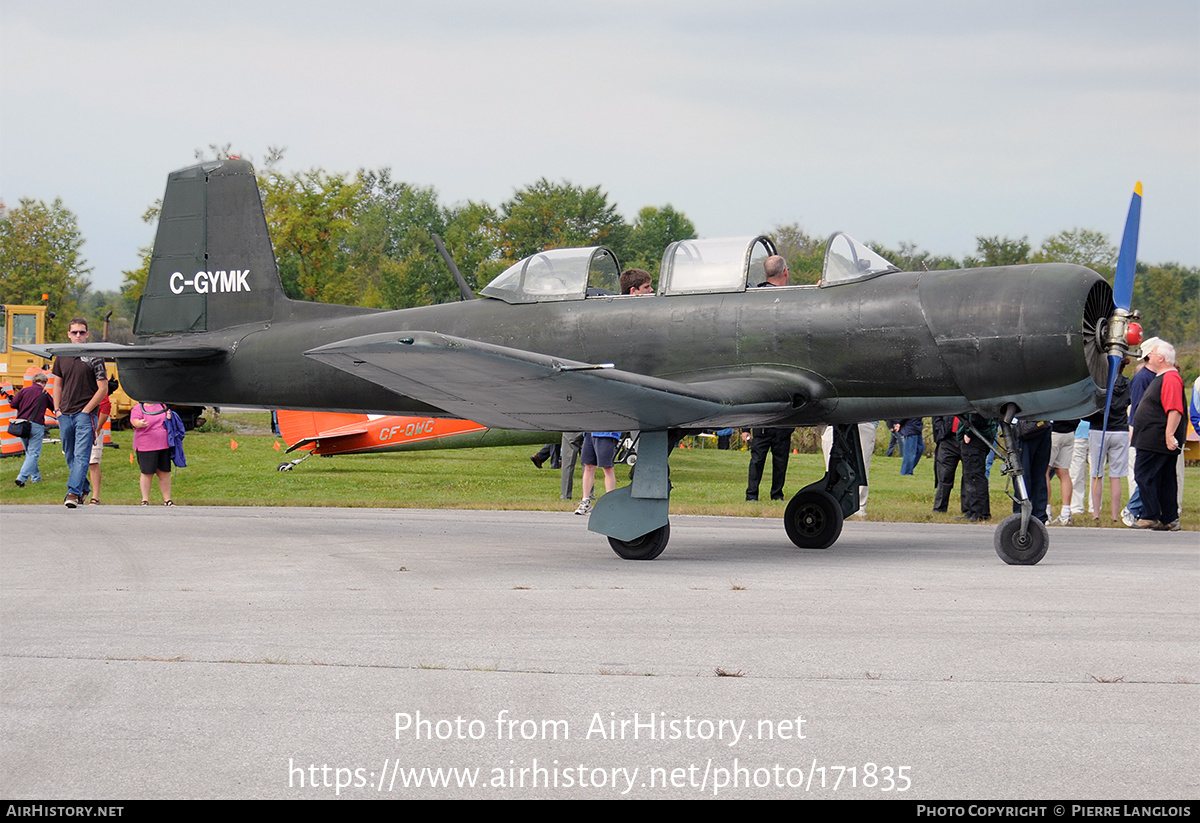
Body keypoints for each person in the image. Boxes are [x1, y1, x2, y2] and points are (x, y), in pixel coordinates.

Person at [1129, 341, 1186, 530]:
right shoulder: (1164, 377)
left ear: (1161, 358)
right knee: (1164, 478)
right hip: (1153, 436)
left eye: (1151, 353)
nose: (1149, 356)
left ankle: (1150, 514)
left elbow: (1175, 409)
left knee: (1145, 475)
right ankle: (1168, 517)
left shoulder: (1169, 378)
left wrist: (1169, 434)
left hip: (1156, 438)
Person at [51, 318, 108, 508]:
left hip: (85, 413)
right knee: (69, 453)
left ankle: (73, 493)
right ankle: (83, 487)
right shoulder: (62, 356)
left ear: (87, 334)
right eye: (74, 332)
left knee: (82, 454)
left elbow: (103, 388)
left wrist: (86, 410)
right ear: (68, 334)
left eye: (81, 332)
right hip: (65, 412)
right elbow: (57, 384)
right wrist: (57, 409)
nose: (78, 335)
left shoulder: (95, 356)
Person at [1086, 361, 1130, 523]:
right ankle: (1113, 515)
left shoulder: (1099, 383)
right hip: (1120, 429)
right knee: (1116, 476)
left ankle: (1096, 513)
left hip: (1099, 429)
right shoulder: (1128, 384)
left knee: (1097, 474)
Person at [13, 372, 54, 487]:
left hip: (21, 425)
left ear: (33, 381)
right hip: (36, 425)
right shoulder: (44, 393)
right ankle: (21, 477)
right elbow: (54, 406)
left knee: (29, 453)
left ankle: (36, 478)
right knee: (33, 453)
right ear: (44, 383)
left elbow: (13, 404)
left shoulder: (24, 391)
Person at [131, 401, 175, 506]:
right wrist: (139, 423)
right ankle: (145, 499)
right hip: (146, 445)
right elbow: (134, 421)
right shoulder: (139, 408)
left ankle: (167, 499)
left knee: (164, 472)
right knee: (147, 473)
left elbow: (170, 418)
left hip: (163, 444)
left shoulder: (162, 406)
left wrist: (170, 417)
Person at [958, 414, 996, 521]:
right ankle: (973, 509)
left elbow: (975, 415)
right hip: (982, 435)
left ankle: (979, 512)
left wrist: (968, 432)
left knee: (974, 475)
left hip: (975, 435)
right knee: (973, 475)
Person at [574, 432, 620, 515]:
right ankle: (585, 501)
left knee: (607, 468)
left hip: (607, 433)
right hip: (590, 432)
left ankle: (609, 503)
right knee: (588, 466)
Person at [745, 426, 794, 501]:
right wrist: (745, 430)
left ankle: (777, 495)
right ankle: (751, 495)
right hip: (761, 430)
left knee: (780, 464)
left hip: (782, 431)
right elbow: (749, 413)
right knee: (756, 462)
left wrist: (789, 429)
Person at [1047, 419, 1078, 524]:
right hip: (1069, 432)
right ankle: (1066, 512)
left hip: (1054, 431)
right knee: (1064, 473)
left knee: (1045, 473)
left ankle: (1046, 510)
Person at [931, 415, 962, 513]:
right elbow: (936, 413)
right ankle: (939, 508)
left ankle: (968, 510)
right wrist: (941, 430)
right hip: (947, 437)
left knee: (970, 477)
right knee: (944, 475)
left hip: (969, 437)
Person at [87, 394, 111, 504]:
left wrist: (98, 427)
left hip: (92, 425)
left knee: (93, 461)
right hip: (75, 425)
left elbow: (105, 407)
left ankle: (95, 496)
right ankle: (81, 489)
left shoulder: (97, 385)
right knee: (74, 460)